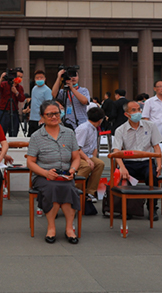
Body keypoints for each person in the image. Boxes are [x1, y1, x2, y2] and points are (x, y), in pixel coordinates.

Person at [27, 100, 82, 244]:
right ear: (42, 117)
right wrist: (45, 173)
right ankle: (51, 227)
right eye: (49, 114)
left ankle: (69, 228)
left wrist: (73, 170)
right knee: (52, 187)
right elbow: (30, 162)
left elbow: (76, 158)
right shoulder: (36, 136)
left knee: (69, 188)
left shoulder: (69, 133)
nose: (54, 117)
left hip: (65, 174)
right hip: (43, 175)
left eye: (56, 113)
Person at [112, 100, 162, 221]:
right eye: (134, 110)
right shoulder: (120, 130)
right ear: (127, 114)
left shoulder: (150, 126)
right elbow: (116, 151)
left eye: (139, 109)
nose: (138, 112)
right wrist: (122, 168)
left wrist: (159, 164)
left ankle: (152, 207)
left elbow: (156, 146)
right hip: (129, 163)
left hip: (146, 161)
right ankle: (127, 208)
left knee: (152, 176)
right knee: (123, 178)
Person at [75, 107, 106, 203]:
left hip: (87, 155)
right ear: (100, 120)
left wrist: (92, 159)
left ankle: (90, 192)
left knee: (100, 164)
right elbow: (77, 148)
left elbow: (94, 148)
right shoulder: (84, 128)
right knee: (86, 166)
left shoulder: (94, 128)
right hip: (77, 155)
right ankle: (76, 190)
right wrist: (88, 160)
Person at [0, 68, 25, 137]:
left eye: (21, 77)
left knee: (14, 132)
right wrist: (1, 78)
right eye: (18, 76)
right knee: (1, 131)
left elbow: (22, 99)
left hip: (14, 111)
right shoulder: (4, 84)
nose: (19, 78)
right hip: (4, 111)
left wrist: (16, 92)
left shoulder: (20, 88)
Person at [29, 70, 53, 136]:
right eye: (37, 78)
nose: (39, 79)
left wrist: (43, 117)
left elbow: (48, 105)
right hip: (32, 118)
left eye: (41, 77)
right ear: (34, 79)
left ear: (45, 79)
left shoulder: (47, 90)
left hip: (41, 119)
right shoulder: (34, 88)